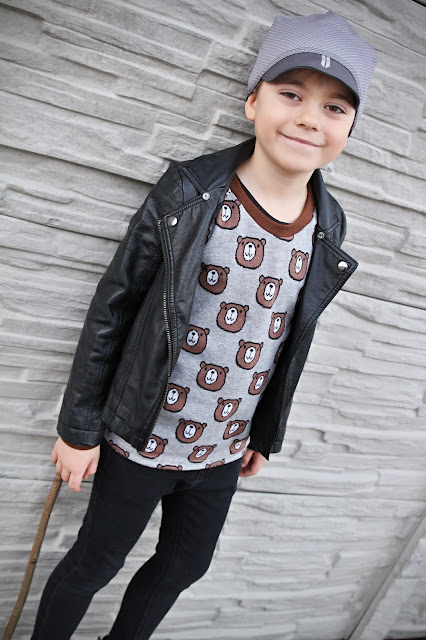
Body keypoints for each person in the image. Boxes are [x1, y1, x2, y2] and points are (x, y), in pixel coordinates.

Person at [30, 11, 377, 640]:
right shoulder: (190, 194)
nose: (309, 119)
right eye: (291, 94)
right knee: (95, 562)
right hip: (143, 438)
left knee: (185, 565)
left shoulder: (329, 225)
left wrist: (263, 431)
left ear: (349, 128)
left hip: (222, 448)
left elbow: (285, 337)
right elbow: (113, 307)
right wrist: (78, 430)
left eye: (334, 108)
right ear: (253, 102)